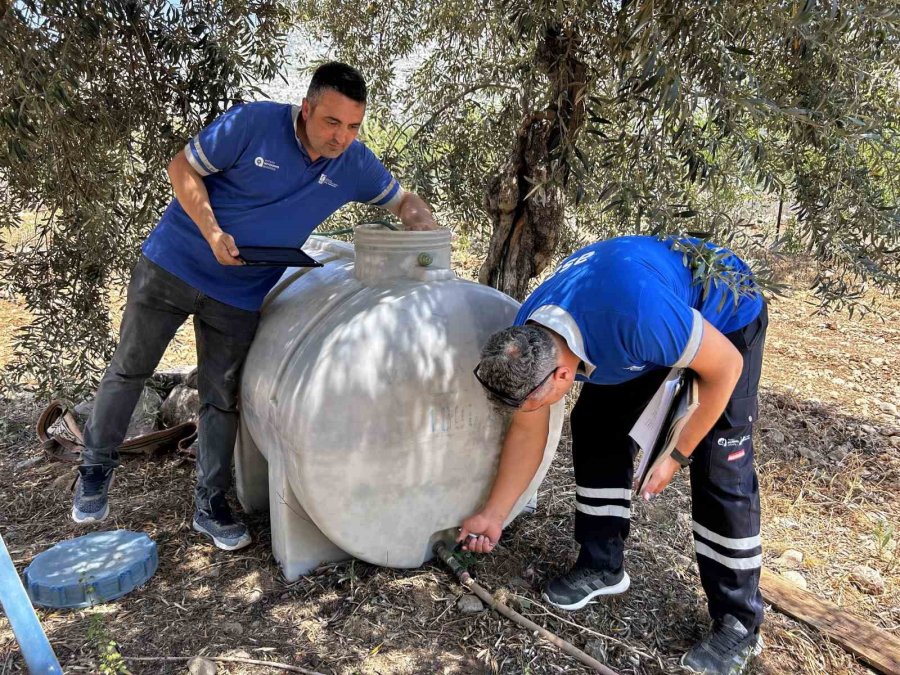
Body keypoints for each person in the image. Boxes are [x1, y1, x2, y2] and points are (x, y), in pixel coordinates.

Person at [72, 62, 437, 551]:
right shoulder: (253, 124)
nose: (342, 136)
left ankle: (210, 505)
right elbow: (182, 168)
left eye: (353, 126)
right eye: (332, 122)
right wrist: (212, 232)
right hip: (172, 267)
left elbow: (403, 201)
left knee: (221, 399)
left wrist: (426, 232)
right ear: (306, 109)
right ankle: (94, 471)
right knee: (130, 370)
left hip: (240, 293)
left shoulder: (352, 163)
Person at [459, 235, 767, 675]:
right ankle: (602, 564)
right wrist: (494, 514)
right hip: (637, 314)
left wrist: (676, 455)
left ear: (564, 373)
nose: (533, 412)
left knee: (721, 467)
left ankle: (739, 622)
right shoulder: (530, 335)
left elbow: (725, 368)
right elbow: (528, 431)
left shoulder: (639, 320)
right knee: (597, 424)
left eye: (538, 401)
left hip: (727, 313)